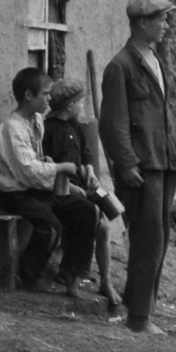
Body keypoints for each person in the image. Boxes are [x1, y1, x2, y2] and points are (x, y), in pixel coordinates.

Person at [99, 0, 176, 334]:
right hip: (142, 164)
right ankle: (138, 318)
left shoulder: (154, 58)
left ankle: (141, 307)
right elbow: (112, 124)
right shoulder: (119, 67)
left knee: (161, 236)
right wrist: (125, 165)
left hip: (164, 160)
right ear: (142, 23)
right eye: (162, 20)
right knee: (147, 237)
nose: (166, 26)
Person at [0, 67, 99, 294]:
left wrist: (60, 177)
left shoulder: (37, 121)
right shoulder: (12, 128)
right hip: (17, 193)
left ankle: (71, 274)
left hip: (38, 188)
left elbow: (37, 161)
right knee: (50, 227)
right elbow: (28, 172)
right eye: (45, 94)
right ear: (29, 95)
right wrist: (60, 167)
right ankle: (28, 274)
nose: (50, 98)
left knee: (86, 211)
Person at [43, 77, 120, 308]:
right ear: (68, 106)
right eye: (80, 103)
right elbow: (47, 167)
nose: (82, 107)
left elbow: (85, 152)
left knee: (106, 221)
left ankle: (105, 281)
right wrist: (74, 187)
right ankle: (74, 275)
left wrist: (89, 170)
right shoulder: (49, 130)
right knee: (99, 223)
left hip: (80, 186)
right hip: (60, 191)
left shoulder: (74, 125)